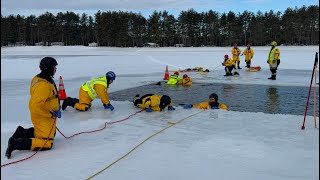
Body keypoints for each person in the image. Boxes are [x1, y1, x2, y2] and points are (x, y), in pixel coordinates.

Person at [5, 57, 61, 159]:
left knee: (50, 134)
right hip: (42, 115)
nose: (55, 69)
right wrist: (50, 114)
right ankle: (15, 143)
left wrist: (56, 109)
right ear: (47, 68)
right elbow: (35, 106)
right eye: (54, 67)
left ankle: (21, 132)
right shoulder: (42, 85)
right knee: (47, 143)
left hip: (47, 115)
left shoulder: (44, 78)